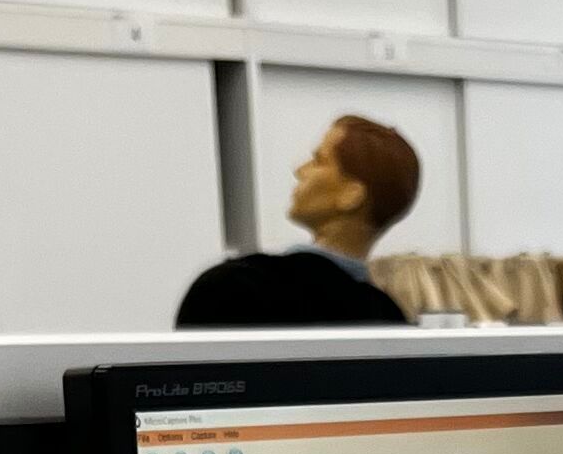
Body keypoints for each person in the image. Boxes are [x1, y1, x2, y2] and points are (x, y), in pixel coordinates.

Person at [174, 114, 418, 329]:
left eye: (319, 161)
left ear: (351, 195)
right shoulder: (387, 319)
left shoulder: (231, 288)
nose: (300, 169)